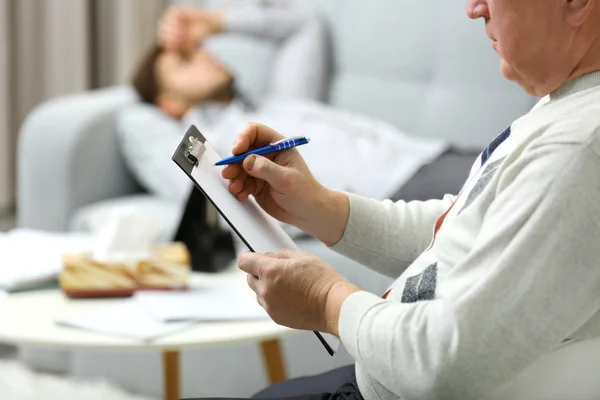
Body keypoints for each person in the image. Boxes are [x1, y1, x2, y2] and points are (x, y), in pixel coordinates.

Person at [212, 0, 600, 399]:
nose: (475, 8)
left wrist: (326, 299)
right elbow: (464, 230)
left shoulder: (577, 146)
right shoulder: (567, 105)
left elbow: (448, 360)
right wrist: (319, 206)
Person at [123, 5, 471, 207]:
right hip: (397, 191)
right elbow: (136, 128)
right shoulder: (215, 146)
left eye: (199, 47)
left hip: (435, 154)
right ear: (168, 102)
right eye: (186, 60)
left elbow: (305, 26)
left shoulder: (280, 99)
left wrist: (216, 22)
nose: (205, 53)